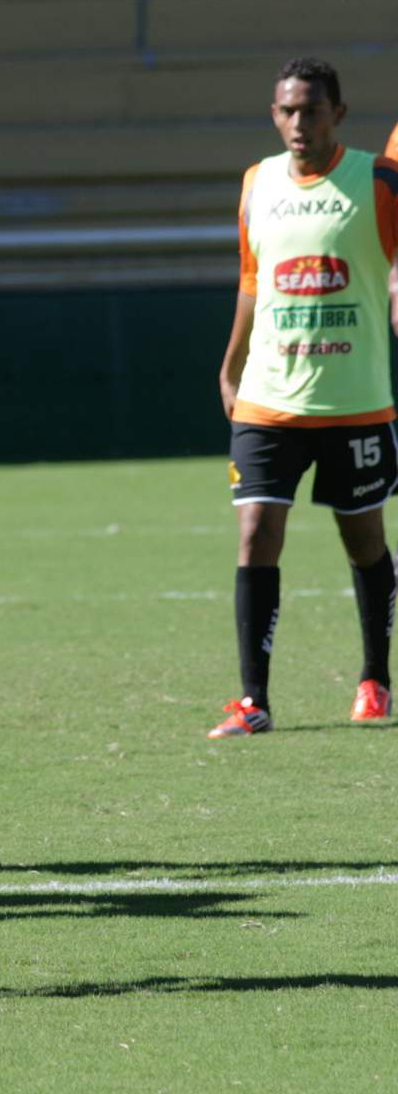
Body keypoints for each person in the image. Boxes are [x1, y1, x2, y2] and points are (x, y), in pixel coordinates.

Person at [212, 58, 398, 737]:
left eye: (312, 110)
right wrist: (231, 365)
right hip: (268, 397)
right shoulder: (256, 183)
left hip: (355, 400)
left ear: (337, 115)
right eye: (287, 110)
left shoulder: (378, 182)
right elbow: (252, 281)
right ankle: (253, 701)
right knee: (256, 534)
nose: (299, 122)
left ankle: (375, 678)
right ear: (274, 114)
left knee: (364, 539)